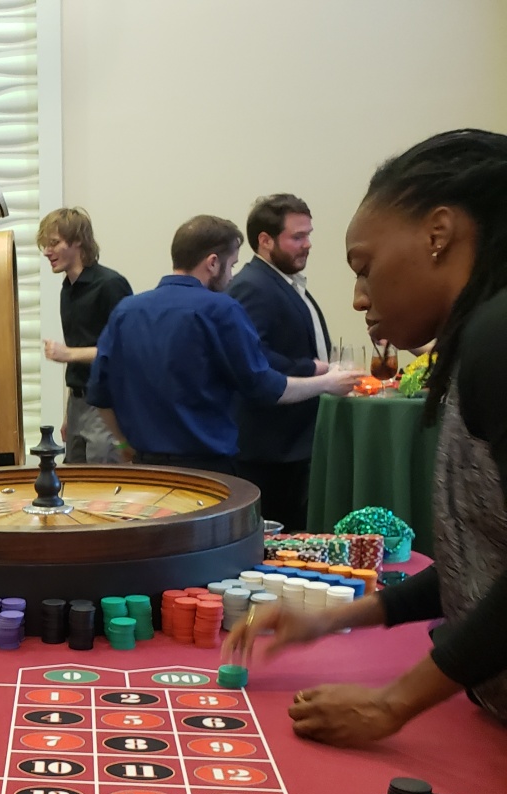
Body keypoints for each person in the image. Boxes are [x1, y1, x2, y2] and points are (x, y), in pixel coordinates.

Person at [224, 128, 507, 745]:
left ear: (439, 234)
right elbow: (482, 564)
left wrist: (393, 704)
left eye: (364, 267)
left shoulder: (497, 335)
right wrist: (335, 617)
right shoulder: (479, 337)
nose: (358, 298)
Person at [86, 215, 355, 473]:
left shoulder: (126, 310)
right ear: (213, 263)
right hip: (207, 470)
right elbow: (264, 387)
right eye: (232, 265)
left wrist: (124, 444)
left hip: (147, 468)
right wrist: (327, 382)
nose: (231, 277)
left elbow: (99, 393)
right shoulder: (220, 309)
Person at [228, 194, 332, 529]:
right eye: (297, 237)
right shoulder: (252, 285)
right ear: (265, 240)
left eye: (309, 235)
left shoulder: (282, 281)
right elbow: (250, 355)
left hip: (292, 444)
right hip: (270, 449)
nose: (308, 245)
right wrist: (314, 369)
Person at [38, 207, 134, 463]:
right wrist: (70, 415)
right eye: (46, 245)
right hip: (78, 403)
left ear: (78, 240)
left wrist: (67, 353)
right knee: (74, 487)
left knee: (104, 487)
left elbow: (125, 350)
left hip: (107, 406)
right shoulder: (67, 289)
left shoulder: (111, 285)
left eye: (54, 243)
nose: (47, 252)